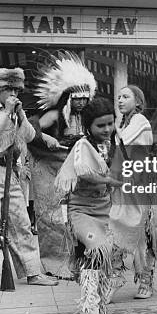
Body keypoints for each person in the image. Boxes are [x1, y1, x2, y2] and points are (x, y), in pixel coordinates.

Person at [0, 67, 58, 290]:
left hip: (12, 174)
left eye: (16, 90)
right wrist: (5, 113)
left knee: (22, 224)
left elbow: (29, 136)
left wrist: (19, 115)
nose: (14, 95)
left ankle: (32, 272)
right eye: (9, 90)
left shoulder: (17, 109)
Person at [55, 97, 121, 314]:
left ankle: (100, 305)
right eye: (100, 126)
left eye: (109, 124)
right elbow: (83, 171)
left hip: (105, 210)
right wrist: (109, 180)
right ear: (88, 127)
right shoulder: (82, 145)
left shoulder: (115, 143)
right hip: (82, 211)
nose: (106, 130)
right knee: (94, 251)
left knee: (106, 259)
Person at [29, 52, 97, 276]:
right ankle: (55, 265)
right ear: (68, 98)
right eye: (77, 99)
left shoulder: (87, 117)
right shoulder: (54, 115)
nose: (82, 102)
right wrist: (47, 139)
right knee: (52, 216)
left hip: (76, 168)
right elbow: (30, 129)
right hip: (51, 167)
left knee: (79, 215)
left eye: (85, 99)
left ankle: (80, 260)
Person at [109, 85, 157, 301]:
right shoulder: (123, 123)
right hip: (123, 185)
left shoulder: (140, 122)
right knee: (116, 231)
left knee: (143, 235)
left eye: (125, 97)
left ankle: (146, 279)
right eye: (118, 97)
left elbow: (120, 141)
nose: (120, 100)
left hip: (140, 186)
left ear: (138, 102)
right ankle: (114, 278)